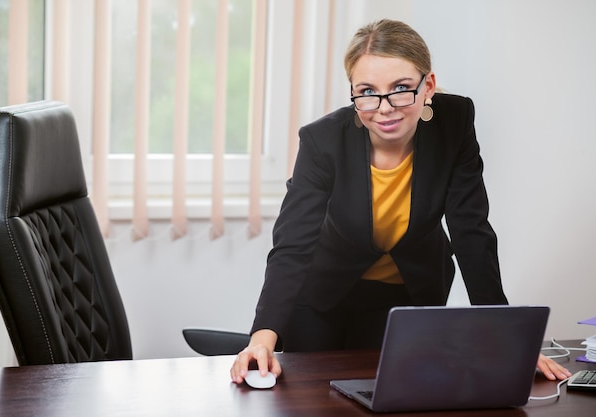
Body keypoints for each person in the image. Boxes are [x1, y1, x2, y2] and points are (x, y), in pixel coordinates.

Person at [231, 19, 570, 384]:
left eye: (401, 88)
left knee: (398, 393)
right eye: (367, 91)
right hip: (323, 295)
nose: (385, 107)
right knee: (311, 396)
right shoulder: (323, 141)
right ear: (353, 93)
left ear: (429, 87)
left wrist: (508, 334)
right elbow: (293, 245)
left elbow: (471, 232)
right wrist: (263, 337)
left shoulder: (454, 123)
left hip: (407, 295)